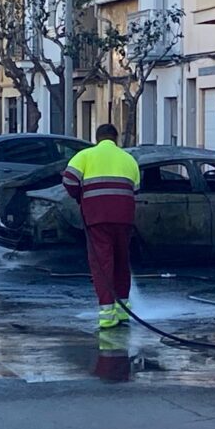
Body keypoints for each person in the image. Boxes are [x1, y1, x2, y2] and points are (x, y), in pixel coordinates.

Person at [62, 124, 140, 329]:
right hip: (124, 218)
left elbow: (69, 180)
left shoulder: (85, 156)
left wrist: (80, 196)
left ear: (97, 138)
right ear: (116, 139)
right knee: (122, 261)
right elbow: (136, 189)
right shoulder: (129, 159)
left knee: (102, 264)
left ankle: (107, 314)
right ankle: (123, 310)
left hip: (97, 217)